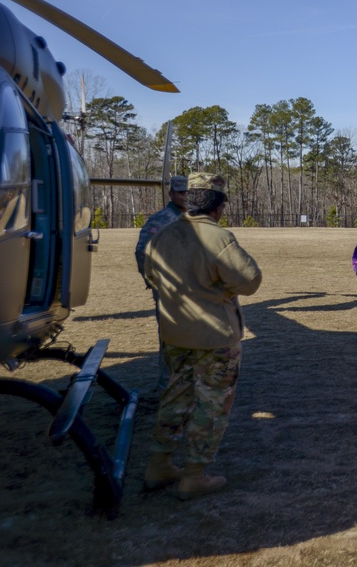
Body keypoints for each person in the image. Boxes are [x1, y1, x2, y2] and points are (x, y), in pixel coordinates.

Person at [142, 173, 262, 499]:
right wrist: (217, 289)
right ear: (218, 206)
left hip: (175, 333)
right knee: (211, 405)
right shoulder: (218, 238)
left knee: (174, 398)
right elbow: (250, 281)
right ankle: (194, 475)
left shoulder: (163, 235)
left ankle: (159, 465)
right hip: (215, 339)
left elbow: (151, 274)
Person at [134, 175, 188, 390]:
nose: (185, 196)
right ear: (171, 193)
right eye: (181, 192)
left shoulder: (193, 218)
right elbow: (142, 252)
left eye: (189, 192)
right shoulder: (162, 219)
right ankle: (169, 387)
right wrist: (152, 281)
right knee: (171, 339)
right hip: (170, 291)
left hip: (193, 291)